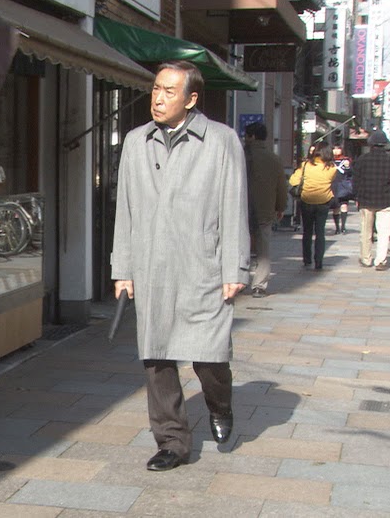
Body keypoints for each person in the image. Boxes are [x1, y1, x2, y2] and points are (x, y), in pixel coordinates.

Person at [111, 61, 249, 472]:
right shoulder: (136, 141)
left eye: (169, 91)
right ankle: (172, 441)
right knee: (156, 357)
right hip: (152, 266)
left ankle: (219, 404)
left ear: (191, 99)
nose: (158, 98)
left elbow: (233, 205)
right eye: (156, 88)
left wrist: (235, 268)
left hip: (202, 265)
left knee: (210, 355)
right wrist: (123, 267)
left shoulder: (221, 140)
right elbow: (125, 209)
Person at [243, 122, 287, 298]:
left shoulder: (239, 155)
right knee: (263, 249)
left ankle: (239, 279)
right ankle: (259, 286)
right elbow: (281, 186)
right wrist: (280, 207)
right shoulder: (274, 159)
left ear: (252, 136)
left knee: (239, 246)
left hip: (240, 210)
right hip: (265, 209)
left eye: (246, 135)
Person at [353, 129, 390, 270]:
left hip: (366, 199)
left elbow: (356, 181)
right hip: (385, 199)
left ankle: (366, 258)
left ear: (371, 144)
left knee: (366, 231)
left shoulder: (362, 160)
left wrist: (357, 195)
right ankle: (380, 261)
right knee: (383, 232)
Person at [289, 142, 336, 270]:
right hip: (324, 201)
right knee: (320, 232)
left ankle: (307, 259)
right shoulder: (332, 168)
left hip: (307, 201)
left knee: (307, 231)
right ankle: (319, 261)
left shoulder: (306, 165)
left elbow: (293, 180)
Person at [330, 146, 353, 234]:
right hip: (332, 186)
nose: (336, 151)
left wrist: (347, 167)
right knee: (335, 207)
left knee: (344, 205)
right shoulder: (329, 161)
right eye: (334, 149)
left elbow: (351, 173)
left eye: (338, 148)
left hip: (343, 186)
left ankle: (343, 226)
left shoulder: (346, 160)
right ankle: (337, 227)